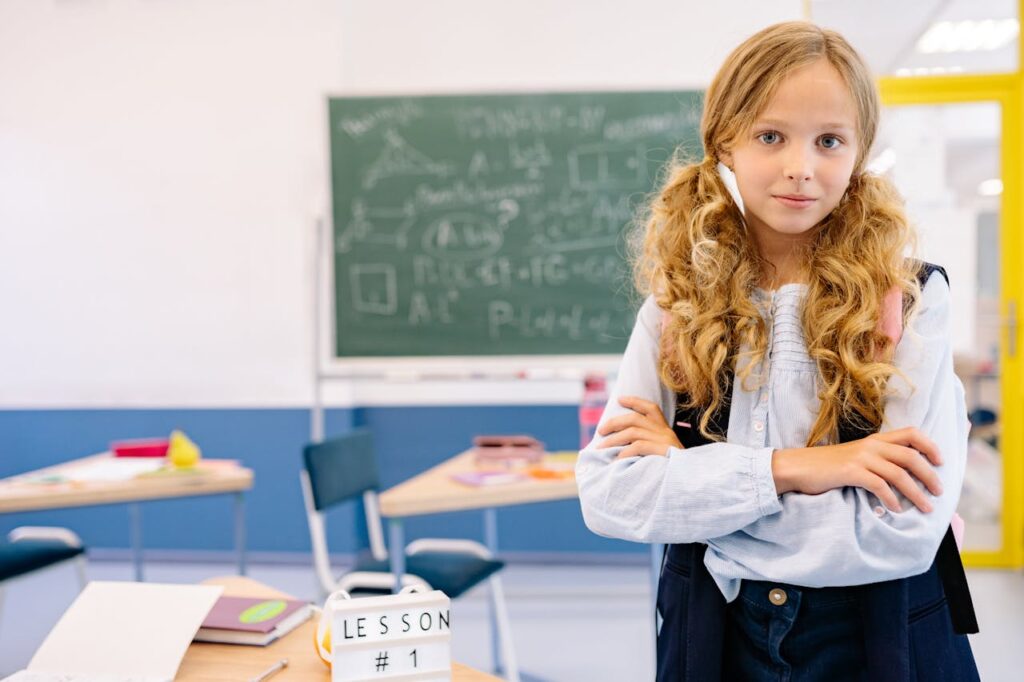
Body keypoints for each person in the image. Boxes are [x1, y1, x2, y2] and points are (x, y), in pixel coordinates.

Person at [575, 21, 979, 682]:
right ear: (725, 145)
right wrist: (806, 469)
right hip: (717, 640)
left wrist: (696, 493)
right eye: (771, 136)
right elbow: (610, 497)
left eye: (829, 141)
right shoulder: (677, 307)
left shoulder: (908, 300)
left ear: (859, 152)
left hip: (881, 642)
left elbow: (901, 534)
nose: (801, 167)